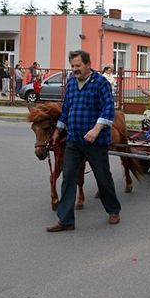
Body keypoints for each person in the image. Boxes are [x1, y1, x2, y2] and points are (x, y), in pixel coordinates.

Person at [47, 50, 121, 232]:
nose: (74, 69)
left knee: (103, 178)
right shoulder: (71, 83)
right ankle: (65, 220)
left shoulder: (100, 83)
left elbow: (108, 110)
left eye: (78, 66)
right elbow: (66, 110)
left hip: (96, 142)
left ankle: (113, 210)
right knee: (68, 178)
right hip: (73, 140)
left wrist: (95, 130)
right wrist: (58, 130)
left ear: (88, 64)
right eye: (72, 66)